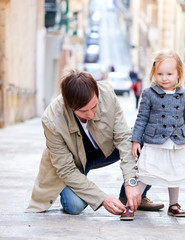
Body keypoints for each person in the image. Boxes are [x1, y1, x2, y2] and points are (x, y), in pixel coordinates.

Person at [24, 70, 159, 216]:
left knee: (149, 138)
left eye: (94, 107)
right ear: (69, 106)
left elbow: (123, 138)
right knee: (74, 206)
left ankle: (131, 196)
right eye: (83, 111)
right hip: (75, 164)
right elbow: (66, 170)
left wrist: (130, 181)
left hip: (106, 149)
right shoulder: (51, 120)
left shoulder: (106, 93)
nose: (90, 115)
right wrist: (102, 199)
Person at [120, 49, 185, 221]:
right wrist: (136, 141)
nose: (164, 78)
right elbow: (141, 118)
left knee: (175, 174)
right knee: (146, 173)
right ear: (154, 74)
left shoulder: (184, 94)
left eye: (169, 73)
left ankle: (174, 204)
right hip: (154, 141)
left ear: (179, 74)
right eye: (160, 73)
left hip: (176, 141)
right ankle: (130, 205)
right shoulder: (149, 93)